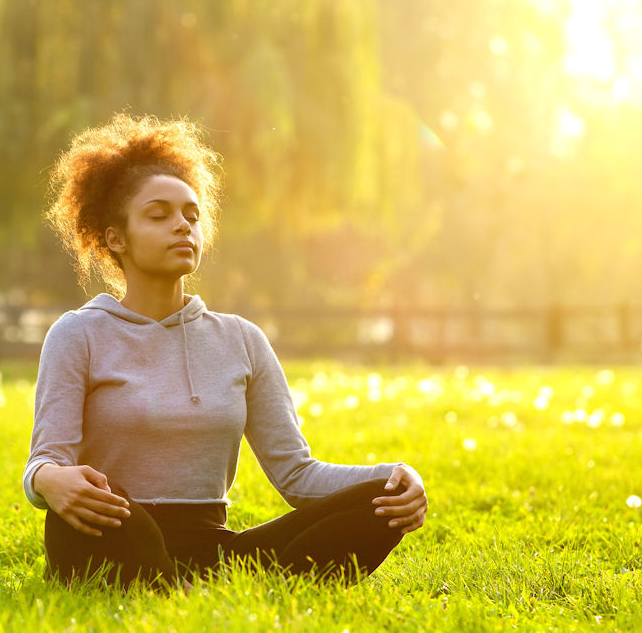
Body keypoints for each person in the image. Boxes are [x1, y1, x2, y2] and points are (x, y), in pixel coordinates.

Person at [23, 113, 428, 589]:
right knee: (117, 522)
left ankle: (182, 586)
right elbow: (45, 461)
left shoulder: (241, 339)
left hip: (212, 548)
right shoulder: (78, 334)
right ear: (116, 237)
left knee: (381, 502)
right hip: (113, 529)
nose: (182, 226)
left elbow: (297, 474)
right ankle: (178, 586)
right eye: (159, 215)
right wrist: (51, 481)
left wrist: (396, 477)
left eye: (191, 216)